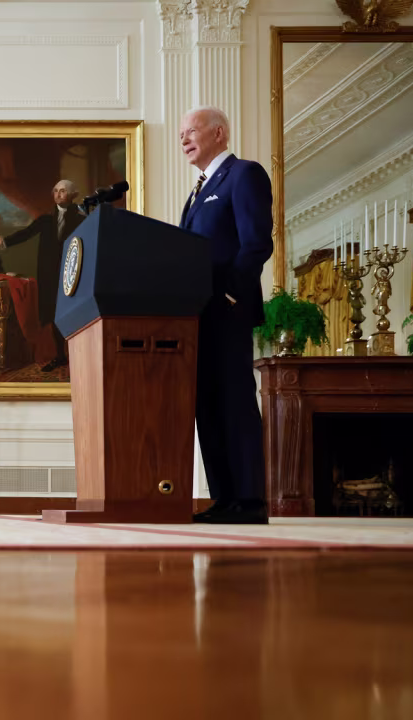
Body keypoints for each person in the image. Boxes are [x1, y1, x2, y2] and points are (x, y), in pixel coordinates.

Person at [177, 106, 273, 525]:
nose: (184, 139)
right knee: (207, 405)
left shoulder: (244, 174)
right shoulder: (197, 191)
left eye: (191, 131)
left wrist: (233, 294)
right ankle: (224, 498)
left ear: (219, 133)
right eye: (181, 134)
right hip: (198, 314)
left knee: (234, 402)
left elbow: (256, 243)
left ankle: (249, 500)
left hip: (228, 310)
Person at [0, 180, 86, 371]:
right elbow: (26, 233)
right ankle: (60, 356)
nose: (58, 194)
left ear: (72, 195)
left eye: (62, 191)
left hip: (72, 275)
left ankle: (79, 356)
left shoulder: (81, 220)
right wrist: (3, 241)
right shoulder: (45, 220)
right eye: (55, 191)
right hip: (48, 275)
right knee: (53, 315)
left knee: (74, 313)